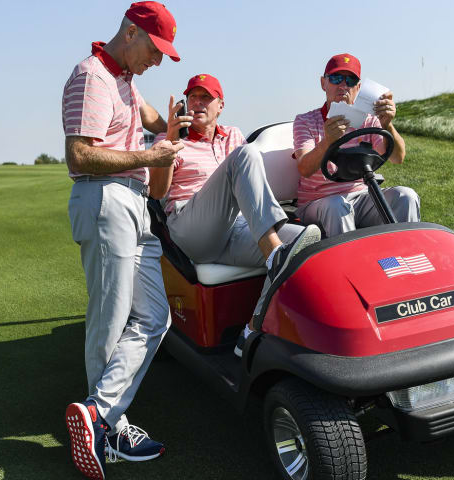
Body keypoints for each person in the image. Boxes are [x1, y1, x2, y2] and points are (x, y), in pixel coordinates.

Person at [61, 3, 183, 478]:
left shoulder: (126, 81)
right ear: (130, 34)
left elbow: (156, 120)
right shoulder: (92, 76)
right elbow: (80, 155)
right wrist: (150, 156)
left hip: (132, 203)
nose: (158, 60)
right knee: (110, 319)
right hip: (103, 197)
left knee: (154, 315)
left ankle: (97, 414)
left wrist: (178, 125)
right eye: (155, 50)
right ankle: (108, 431)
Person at [149, 73, 321, 356]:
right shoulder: (169, 140)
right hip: (191, 230)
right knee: (246, 155)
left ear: (221, 105)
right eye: (193, 97)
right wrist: (168, 141)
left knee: (305, 244)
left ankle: (252, 328)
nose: (197, 103)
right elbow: (156, 192)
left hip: (234, 228)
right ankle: (274, 252)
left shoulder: (233, 136)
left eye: (206, 98)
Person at [293, 53, 420, 236]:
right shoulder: (306, 121)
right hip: (318, 201)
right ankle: (347, 264)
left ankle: (405, 257)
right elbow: (304, 168)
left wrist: (387, 125)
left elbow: (397, 157)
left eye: (350, 80)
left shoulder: (369, 120)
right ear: (323, 83)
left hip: (360, 196)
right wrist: (328, 141)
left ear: (358, 87)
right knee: (337, 206)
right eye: (336, 78)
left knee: (405, 196)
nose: (343, 85)